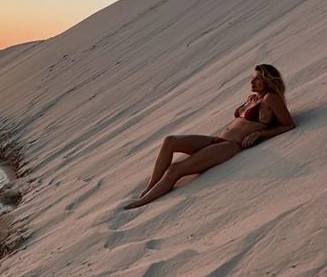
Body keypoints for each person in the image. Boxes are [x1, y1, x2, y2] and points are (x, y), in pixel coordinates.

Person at [123, 64, 295, 209]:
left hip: (229, 146)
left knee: (175, 169)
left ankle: (143, 202)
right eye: (252, 77)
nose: (252, 81)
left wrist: (260, 133)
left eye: (257, 78)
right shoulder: (253, 98)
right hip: (216, 139)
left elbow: (288, 124)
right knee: (170, 141)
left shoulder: (271, 98)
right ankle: (151, 186)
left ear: (268, 80)